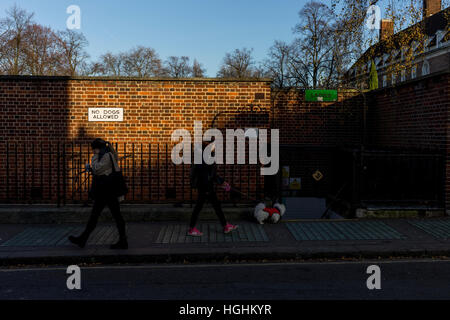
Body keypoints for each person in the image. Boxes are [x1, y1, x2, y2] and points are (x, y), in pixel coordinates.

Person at [68, 138, 128, 249]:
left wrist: (94, 158)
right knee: (99, 216)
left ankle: (123, 241)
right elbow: (101, 170)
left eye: (93, 149)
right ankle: (83, 239)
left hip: (108, 191)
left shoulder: (105, 156)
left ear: (97, 148)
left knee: (113, 216)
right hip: (105, 191)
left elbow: (97, 169)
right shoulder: (106, 155)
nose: (93, 151)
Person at [189, 141, 238, 236]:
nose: (215, 147)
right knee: (199, 208)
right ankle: (191, 229)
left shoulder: (207, 158)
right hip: (205, 188)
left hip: (207, 187)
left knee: (216, 206)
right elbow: (204, 176)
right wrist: (207, 189)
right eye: (213, 146)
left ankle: (225, 226)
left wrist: (223, 182)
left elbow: (212, 175)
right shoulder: (203, 160)